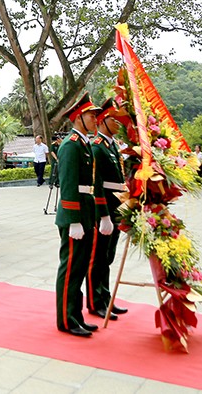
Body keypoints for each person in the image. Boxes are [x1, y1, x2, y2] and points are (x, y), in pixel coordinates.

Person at [54, 93, 109, 338]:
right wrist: (73, 219)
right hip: (74, 215)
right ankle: (66, 319)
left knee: (79, 266)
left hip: (86, 212)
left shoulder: (84, 143)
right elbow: (67, 184)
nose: (96, 119)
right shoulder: (70, 145)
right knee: (71, 268)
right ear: (78, 118)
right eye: (91, 115)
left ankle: (75, 314)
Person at [86, 98, 129, 321]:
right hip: (104, 208)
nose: (119, 124)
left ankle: (105, 297)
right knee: (99, 256)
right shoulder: (97, 148)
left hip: (116, 205)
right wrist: (103, 214)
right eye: (115, 119)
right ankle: (95, 302)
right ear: (103, 120)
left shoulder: (112, 145)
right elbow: (97, 185)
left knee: (108, 256)